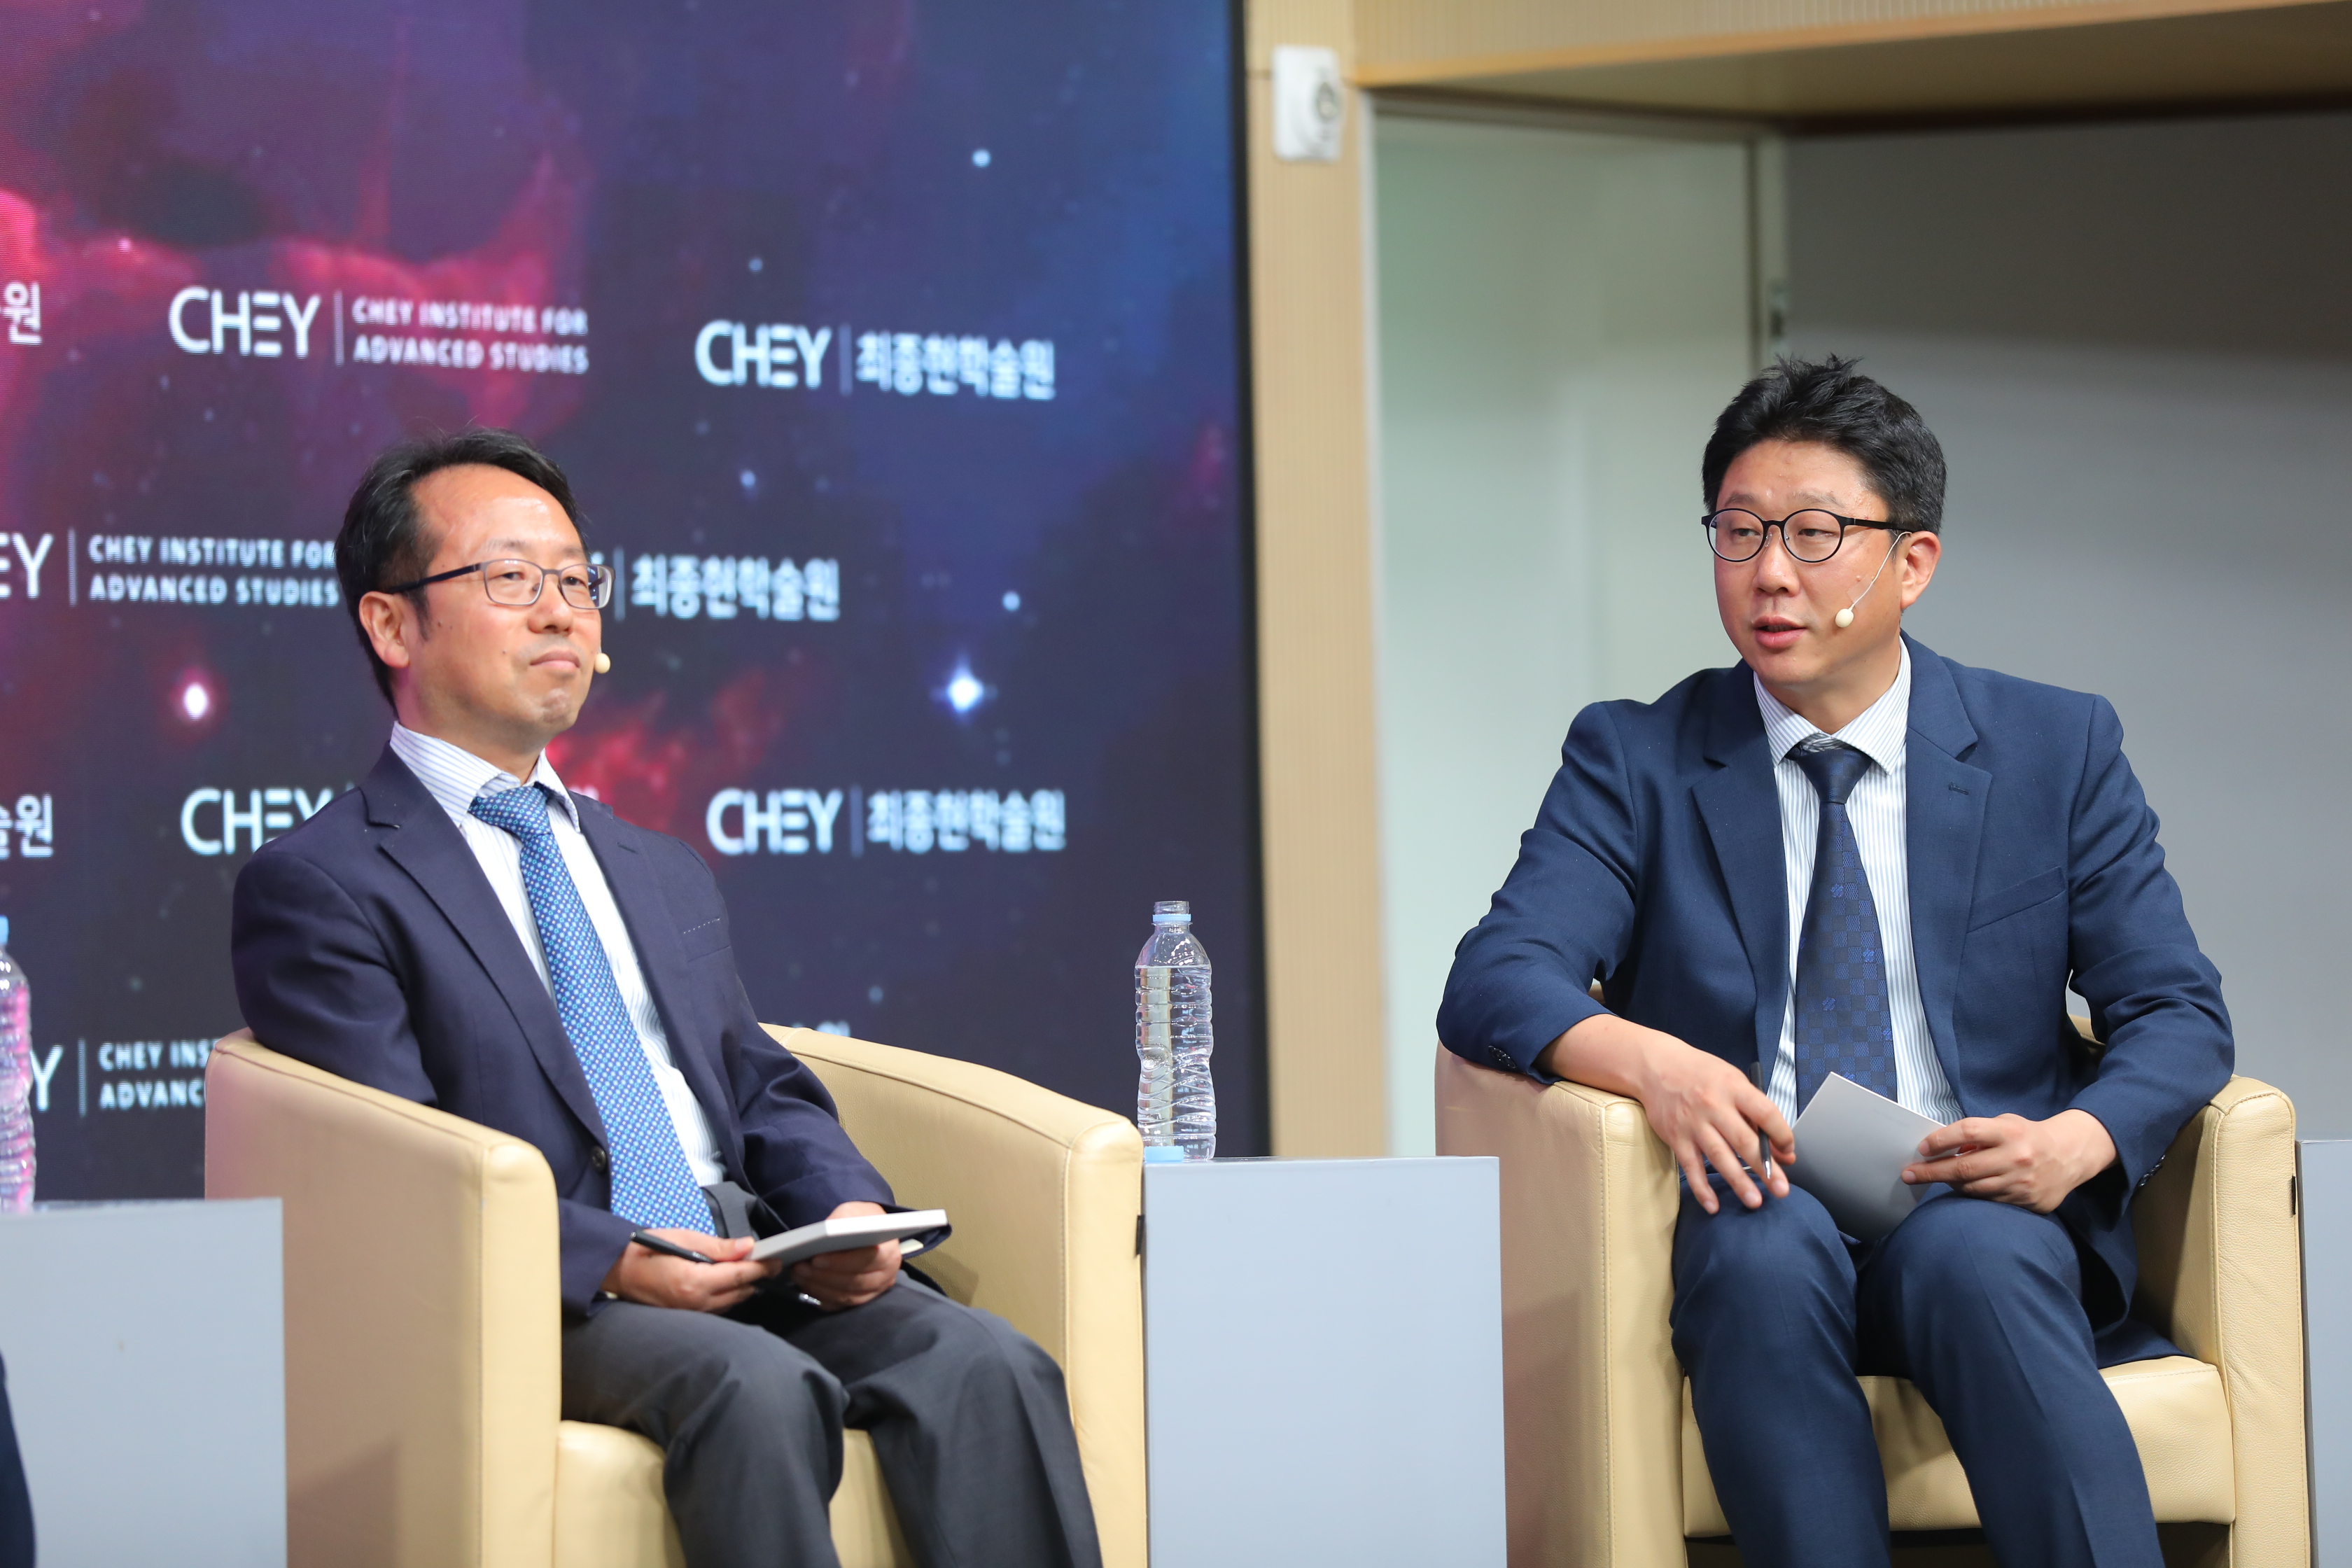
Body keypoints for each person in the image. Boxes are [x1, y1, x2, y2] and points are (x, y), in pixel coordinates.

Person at [231, 430, 1101, 1568]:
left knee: (990, 1364)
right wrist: (616, 1257)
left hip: (749, 1251)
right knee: (760, 1387)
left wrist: (843, 1210)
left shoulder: (655, 865)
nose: (561, 614)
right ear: (393, 624)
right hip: (560, 1294)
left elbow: (758, 1085)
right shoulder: (327, 882)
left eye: (576, 580)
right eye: (511, 579)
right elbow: (405, 1171)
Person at [1440, 358, 2230, 1568]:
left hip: (1975, 1202)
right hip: (1757, 1202)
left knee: (1978, 1257)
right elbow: (1498, 975)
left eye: (1814, 535)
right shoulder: (1637, 758)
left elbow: (2176, 1009)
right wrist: (1656, 1067)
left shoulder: (2053, 748)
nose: (1769, 572)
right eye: (1739, 531)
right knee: (1761, 1248)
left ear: (1912, 562)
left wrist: (2073, 1143)